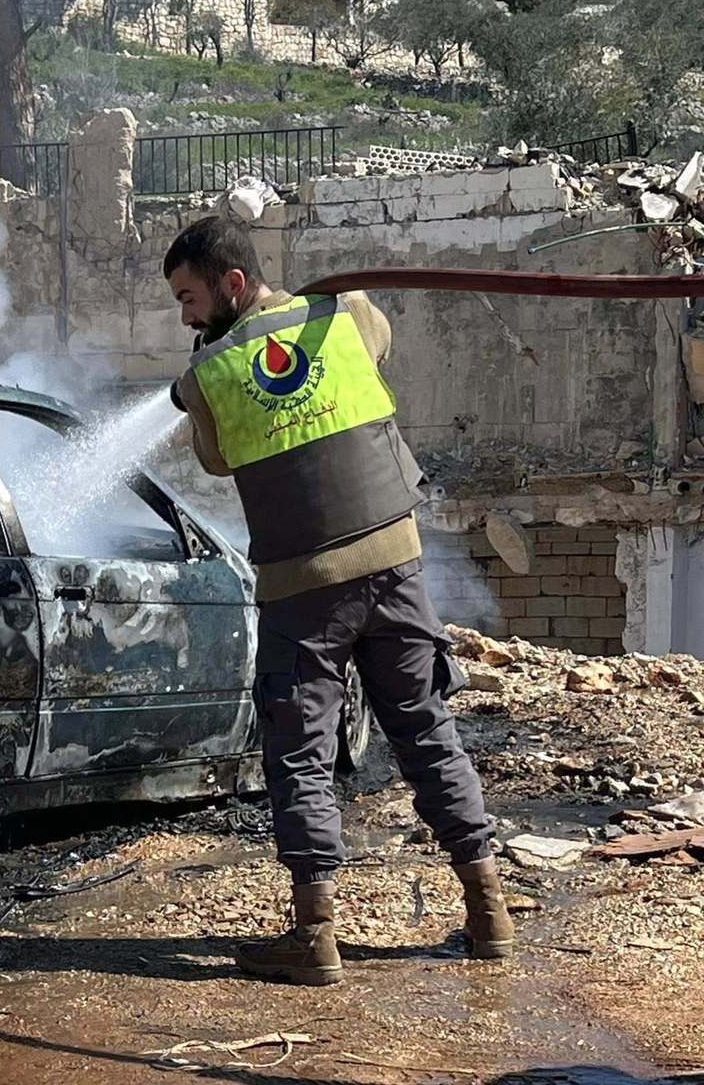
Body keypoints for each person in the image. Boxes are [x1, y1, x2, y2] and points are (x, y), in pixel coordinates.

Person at [165, 215, 512, 987]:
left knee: (300, 751)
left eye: (189, 298)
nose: (185, 317)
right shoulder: (342, 314)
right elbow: (378, 339)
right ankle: (490, 912)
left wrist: (201, 379)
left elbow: (217, 462)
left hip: (303, 586)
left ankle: (315, 935)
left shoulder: (207, 375)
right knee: (425, 730)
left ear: (229, 284)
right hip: (394, 563)